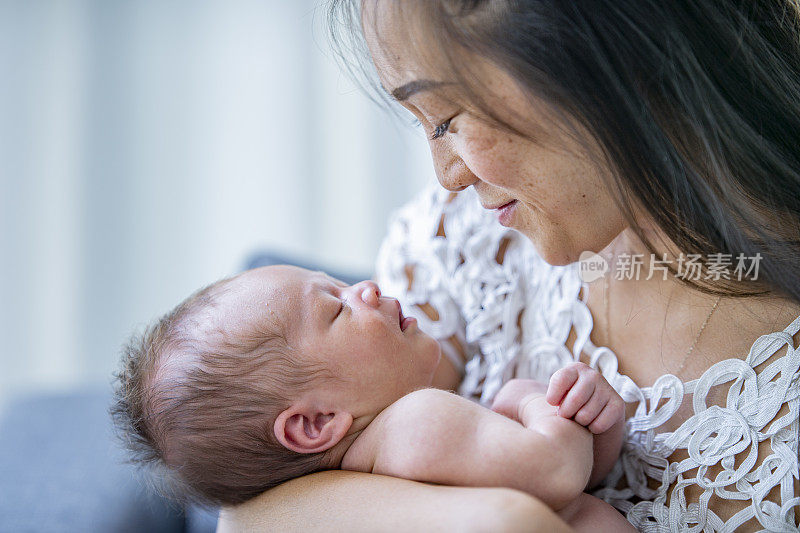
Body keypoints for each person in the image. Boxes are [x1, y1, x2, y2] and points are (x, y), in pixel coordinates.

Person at [219, 1, 800, 531]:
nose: (448, 175)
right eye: (422, 123)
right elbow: (247, 509)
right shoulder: (471, 243)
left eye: (447, 118)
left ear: (606, 57)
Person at [112, 265, 633, 530]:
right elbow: (559, 472)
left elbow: (582, 485)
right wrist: (530, 401)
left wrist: (593, 422)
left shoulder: (376, 478)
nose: (363, 288)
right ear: (314, 424)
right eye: (336, 309)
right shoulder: (418, 422)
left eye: (337, 284)